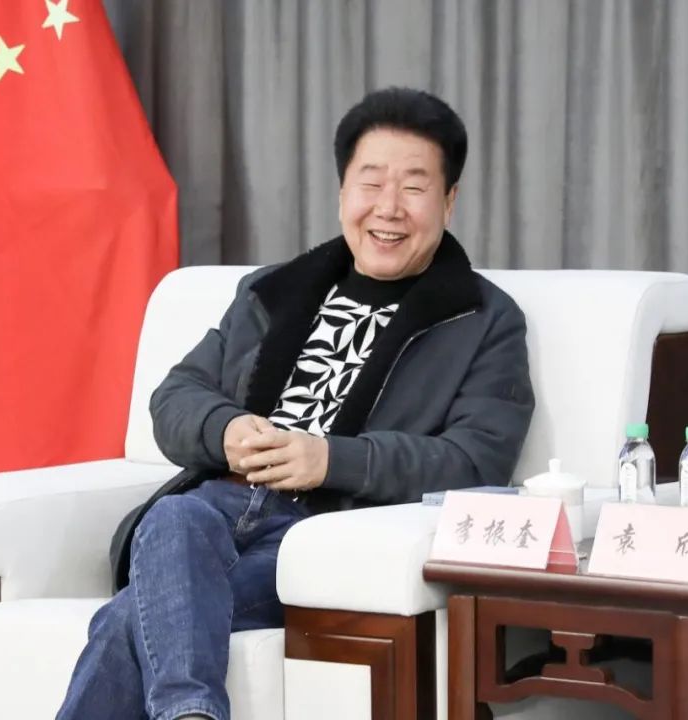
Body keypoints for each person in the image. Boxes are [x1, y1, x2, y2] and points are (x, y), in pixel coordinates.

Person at [56, 86, 535, 720]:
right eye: (371, 183)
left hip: (326, 531)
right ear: (342, 193)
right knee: (174, 516)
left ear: (448, 201)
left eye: (414, 187)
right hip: (215, 508)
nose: (388, 208)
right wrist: (226, 429)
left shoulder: (484, 319)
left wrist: (329, 459)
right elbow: (175, 397)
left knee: (129, 619)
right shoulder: (272, 292)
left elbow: (477, 462)